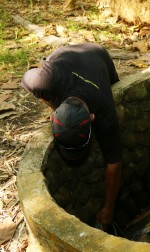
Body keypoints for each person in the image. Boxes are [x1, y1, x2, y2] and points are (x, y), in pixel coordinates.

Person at [21, 43, 122, 229]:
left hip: (97, 54)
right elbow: (27, 76)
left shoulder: (105, 110)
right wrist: (51, 102)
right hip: (63, 56)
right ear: (53, 117)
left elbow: (114, 161)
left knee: (117, 90)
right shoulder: (42, 82)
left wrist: (108, 208)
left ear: (93, 118)